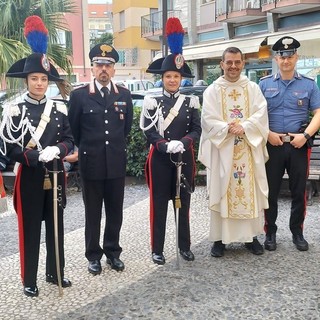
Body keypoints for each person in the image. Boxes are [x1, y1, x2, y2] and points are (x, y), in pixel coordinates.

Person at [0, 16, 74, 297]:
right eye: (35, 79)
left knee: (56, 228)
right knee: (30, 230)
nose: (40, 83)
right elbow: (9, 146)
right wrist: (31, 157)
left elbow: (69, 139)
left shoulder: (59, 109)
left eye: (44, 79)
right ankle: (29, 279)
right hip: (30, 177)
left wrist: (60, 150)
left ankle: (56, 272)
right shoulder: (13, 110)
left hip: (55, 175)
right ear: (27, 80)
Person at [140, 17, 201, 265]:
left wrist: (184, 142)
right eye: (168, 76)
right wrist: (164, 145)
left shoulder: (191, 102)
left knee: (182, 204)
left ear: (181, 78)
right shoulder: (151, 101)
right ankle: (158, 249)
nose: (172, 80)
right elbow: (148, 131)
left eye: (176, 76)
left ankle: (184, 246)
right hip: (161, 159)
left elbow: (197, 129)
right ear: (162, 78)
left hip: (183, 158)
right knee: (159, 206)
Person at [68, 43, 133, 275]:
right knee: (92, 212)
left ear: (114, 69)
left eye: (108, 65)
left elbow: (126, 128)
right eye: (99, 65)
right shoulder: (79, 96)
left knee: (115, 211)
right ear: (92, 68)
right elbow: (75, 130)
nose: (103, 69)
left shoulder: (123, 94)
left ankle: (113, 252)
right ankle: (93, 255)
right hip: (91, 163)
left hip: (115, 162)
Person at [198, 47, 269, 258]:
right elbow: (207, 119)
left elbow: (261, 113)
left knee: (250, 192)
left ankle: (251, 238)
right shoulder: (212, 90)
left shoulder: (253, 88)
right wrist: (228, 127)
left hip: (247, 148)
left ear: (243, 63)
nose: (233, 66)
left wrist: (245, 126)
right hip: (223, 151)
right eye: (229, 62)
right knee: (222, 191)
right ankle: (219, 240)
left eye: (237, 62)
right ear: (221, 64)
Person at [259, 36, 320, 251]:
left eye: (290, 55)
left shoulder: (309, 84)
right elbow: (255, 115)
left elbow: (318, 113)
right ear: (276, 58)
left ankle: (297, 233)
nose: (286, 60)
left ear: (297, 58)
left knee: (298, 191)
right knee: (270, 192)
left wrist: (305, 136)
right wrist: (267, 134)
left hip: (298, 145)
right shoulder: (263, 84)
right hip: (272, 144)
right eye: (282, 56)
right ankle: (270, 233)